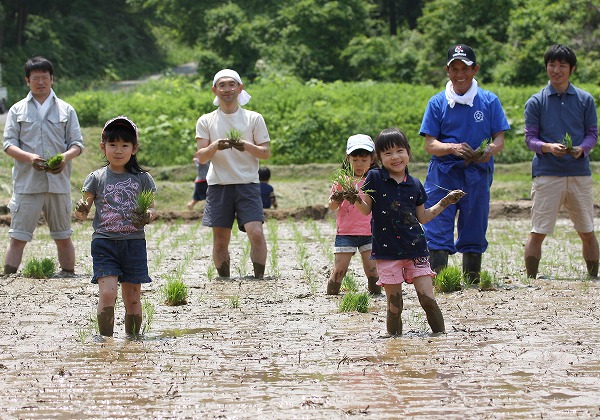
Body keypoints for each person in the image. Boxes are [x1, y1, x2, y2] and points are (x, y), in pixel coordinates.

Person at [354, 128, 464, 336]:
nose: (395, 157)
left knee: (428, 301)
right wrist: (354, 198)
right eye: (388, 153)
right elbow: (365, 209)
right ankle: (395, 349)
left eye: (399, 151)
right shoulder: (374, 178)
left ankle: (441, 341)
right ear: (379, 157)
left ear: (408, 153)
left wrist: (445, 201)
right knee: (395, 307)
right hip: (387, 252)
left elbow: (423, 217)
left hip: (416, 250)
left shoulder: (415, 184)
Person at [419, 44, 510, 282]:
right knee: (438, 223)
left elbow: (499, 138)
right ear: (447, 71)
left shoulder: (489, 101)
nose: (460, 74)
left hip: (477, 174)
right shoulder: (437, 102)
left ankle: (472, 279)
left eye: (465, 68)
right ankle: (439, 281)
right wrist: (453, 148)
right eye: (454, 68)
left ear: (475, 69)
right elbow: (430, 145)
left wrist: (489, 150)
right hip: (443, 174)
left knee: (474, 224)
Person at [75, 116, 157, 337]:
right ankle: (106, 341)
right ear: (103, 147)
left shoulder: (143, 179)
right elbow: (82, 213)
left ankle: (133, 340)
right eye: (112, 144)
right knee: (108, 293)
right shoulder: (96, 177)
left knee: (132, 297)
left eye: (124, 145)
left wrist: (147, 216)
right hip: (105, 242)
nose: (118, 150)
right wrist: (81, 208)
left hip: (133, 243)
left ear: (134, 148)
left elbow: (152, 209)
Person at [2, 56, 84, 276]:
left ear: (52, 79)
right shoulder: (17, 110)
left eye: (45, 78)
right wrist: (30, 158)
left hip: (58, 183)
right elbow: (8, 145)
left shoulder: (66, 110)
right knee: (18, 236)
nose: (41, 82)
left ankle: (68, 272)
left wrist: (64, 158)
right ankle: (9, 276)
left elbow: (77, 144)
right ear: (27, 80)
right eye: (35, 78)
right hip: (27, 184)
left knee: (63, 236)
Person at [523, 44, 598, 279]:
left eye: (562, 66)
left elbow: (592, 133)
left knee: (587, 230)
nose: (556, 70)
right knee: (538, 231)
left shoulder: (585, 100)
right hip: (547, 173)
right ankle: (531, 279)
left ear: (572, 69)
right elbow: (530, 139)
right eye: (552, 65)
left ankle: (593, 278)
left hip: (579, 173)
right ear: (546, 67)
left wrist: (582, 149)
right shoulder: (536, 101)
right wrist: (547, 147)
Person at [195, 69, 270, 279]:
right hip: (219, 184)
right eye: (222, 85)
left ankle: (259, 279)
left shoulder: (254, 118)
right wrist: (216, 146)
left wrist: (245, 145)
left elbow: (265, 153)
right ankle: (224, 279)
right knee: (220, 238)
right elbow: (201, 156)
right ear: (215, 90)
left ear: (240, 88)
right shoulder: (206, 120)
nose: (227, 89)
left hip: (248, 183)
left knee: (255, 232)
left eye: (231, 84)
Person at [326, 134, 380, 295]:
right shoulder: (342, 180)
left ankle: (376, 296)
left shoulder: (375, 180)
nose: (359, 164)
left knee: (372, 270)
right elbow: (331, 206)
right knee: (339, 270)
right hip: (346, 232)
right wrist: (336, 199)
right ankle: (331, 296)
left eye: (364, 160)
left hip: (370, 232)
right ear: (348, 158)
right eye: (355, 160)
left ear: (372, 159)